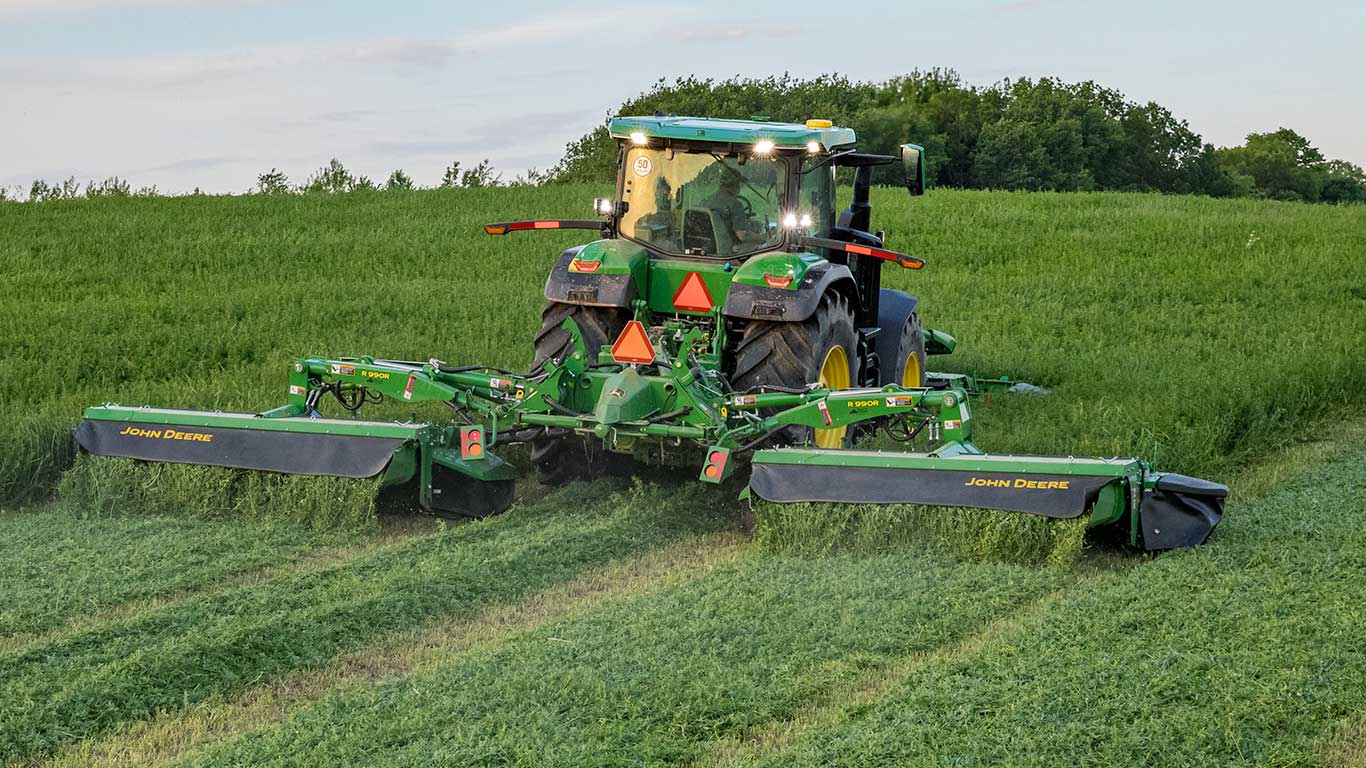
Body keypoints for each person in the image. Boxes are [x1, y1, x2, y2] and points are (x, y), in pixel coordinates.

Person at [703, 173, 756, 244]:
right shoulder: (735, 205)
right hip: (728, 247)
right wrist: (765, 237)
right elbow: (742, 236)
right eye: (740, 185)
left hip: (708, 243)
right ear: (736, 185)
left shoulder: (707, 201)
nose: (740, 188)